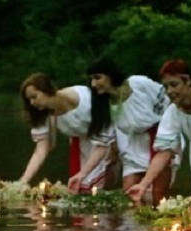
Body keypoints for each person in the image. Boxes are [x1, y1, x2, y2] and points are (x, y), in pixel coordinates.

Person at [126, 59, 191, 203]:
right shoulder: (172, 113)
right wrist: (143, 184)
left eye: (174, 85)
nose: (170, 91)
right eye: (166, 87)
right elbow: (164, 152)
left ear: (188, 81)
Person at [73, 58, 170, 203]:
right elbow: (101, 146)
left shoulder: (138, 83)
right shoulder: (104, 105)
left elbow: (167, 101)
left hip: (160, 141)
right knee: (129, 195)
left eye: (98, 77)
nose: (93, 84)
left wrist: (170, 136)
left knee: (158, 194)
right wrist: (81, 175)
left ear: (110, 75)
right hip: (133, 147)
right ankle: (130, 225)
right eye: (91, 79)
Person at [17, 73, 113, 190]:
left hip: (104, 141)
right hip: (80, 146)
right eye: (29, 100)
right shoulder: (42, 113)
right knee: (80, 188)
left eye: (34, 97)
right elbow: (41, 149)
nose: (32, 103)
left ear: (47, 90)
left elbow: (103, 141)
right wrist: (24, 180)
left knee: (97, 185)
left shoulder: (85, 99)